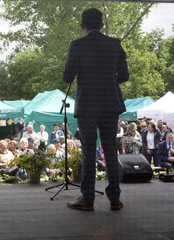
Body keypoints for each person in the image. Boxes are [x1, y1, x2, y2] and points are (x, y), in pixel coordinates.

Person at [63, 8, 129, 211]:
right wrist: (107, 81)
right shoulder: (115, 44)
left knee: (89, 151)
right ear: (100, 24)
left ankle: (87, 198)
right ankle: (115, 199)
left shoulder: (77, 45)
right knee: (110, 150)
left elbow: (67, 76)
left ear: (83, 25)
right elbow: (124, 75)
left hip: (88, 105)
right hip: (110, 103)